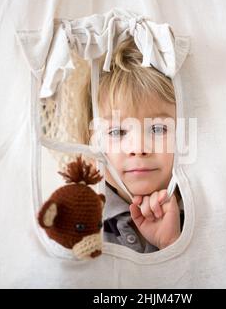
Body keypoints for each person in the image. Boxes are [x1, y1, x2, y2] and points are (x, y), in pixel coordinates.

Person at [77, 36, 184, 253]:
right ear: (91, 146)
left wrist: (171, 245)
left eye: (158, 129)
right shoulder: (79, 220)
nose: (138, 148)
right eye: (117, 132)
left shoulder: (204, 214)